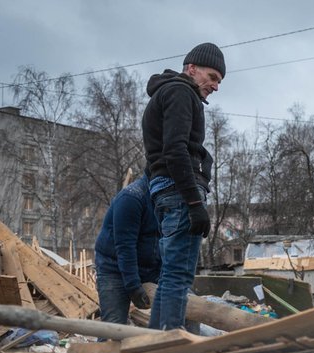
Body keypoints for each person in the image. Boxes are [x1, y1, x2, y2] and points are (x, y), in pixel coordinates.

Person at [142, 42, 225, 330]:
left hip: (166, 191)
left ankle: (156, 347)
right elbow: (175, 149)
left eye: (218, 81)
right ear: (192, 68)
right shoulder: (180, 92)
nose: (215, 86)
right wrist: (193, 203)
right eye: (212, 77)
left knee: (169, 276)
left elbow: (158, 155)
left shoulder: (166, 93)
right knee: (178, 277)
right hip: (179, 193)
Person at [93, 173, 160, 325]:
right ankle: (106, 348)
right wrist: (134, 287)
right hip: (114, 268)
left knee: (183, 313)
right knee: (113, 328)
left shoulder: (167, 198)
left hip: (149, 268)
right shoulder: (132, 197)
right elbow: (125, 247)